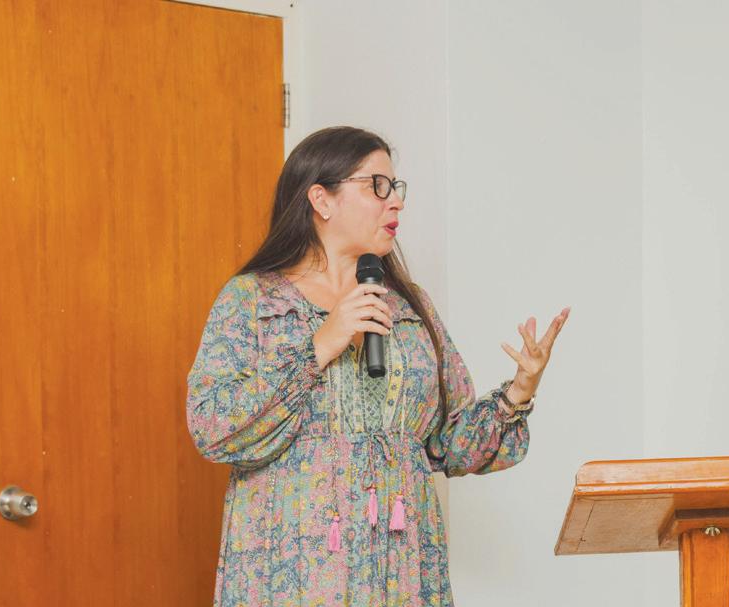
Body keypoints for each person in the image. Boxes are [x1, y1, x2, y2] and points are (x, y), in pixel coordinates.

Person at [186, 126, 569, 606]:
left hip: (400, 569)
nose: (396, 202)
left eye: (396, 187)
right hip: (294, 569)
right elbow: (213, 427)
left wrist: (519, 391)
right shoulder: (253, 300)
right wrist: (320, 346)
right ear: (321, 200)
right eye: (377, 186)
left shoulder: (410, 306)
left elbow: (449, 444)